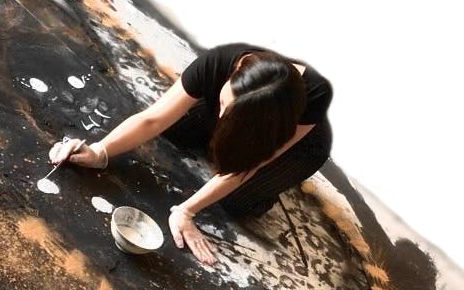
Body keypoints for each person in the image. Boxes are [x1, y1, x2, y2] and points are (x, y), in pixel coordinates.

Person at [48, 42, 333, 265]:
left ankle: (267, 184)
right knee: (175, 129)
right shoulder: (220, 61)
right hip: (248, 116)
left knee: (236, 201)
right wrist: (100, 151)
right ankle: (226, 130)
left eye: (229, 113)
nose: (221, 115)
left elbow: (250, 164)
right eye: (224, 104)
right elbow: (152, 119)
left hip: (299, 148)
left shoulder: (315, 95)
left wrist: (186, 210)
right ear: (234, 73)